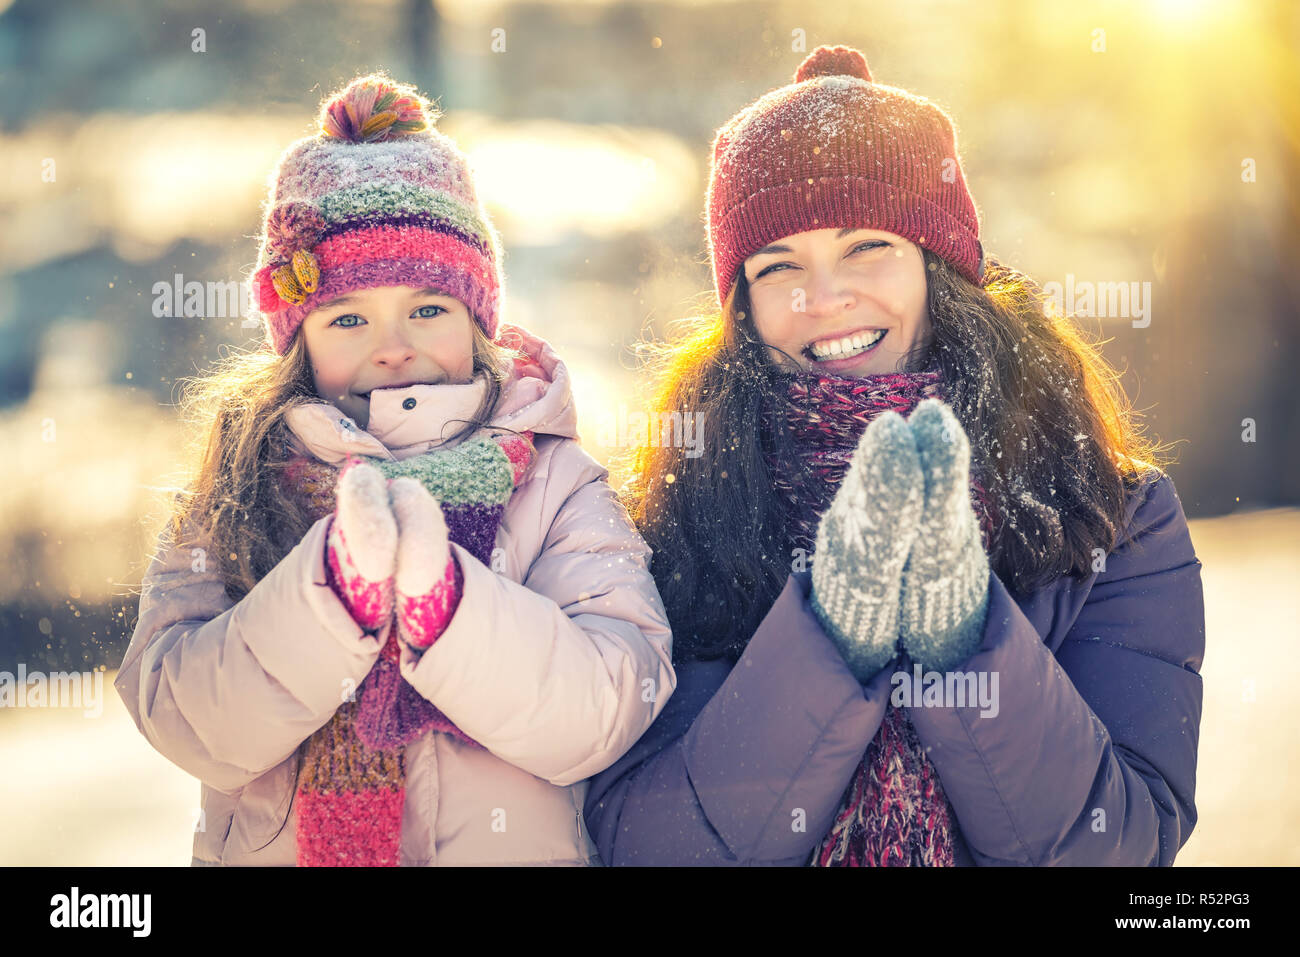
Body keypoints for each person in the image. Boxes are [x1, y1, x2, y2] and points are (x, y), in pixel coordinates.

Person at [583, 45, 1204, 866]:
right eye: (778, 266)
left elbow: (1126, 842)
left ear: (939, 266)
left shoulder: (1110, 512)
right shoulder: (680, 512)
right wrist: (830, 631)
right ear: (742, 308)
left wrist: (965, 636)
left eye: (866, 246)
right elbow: (640, 842)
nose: (825, 296)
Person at [116, 72, 674, 866]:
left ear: (478, 318)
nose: (393, 344)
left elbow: (617, 697)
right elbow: (180, 711)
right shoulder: (243, 478)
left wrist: (446, 606)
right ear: (297, 338)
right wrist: (334, 595)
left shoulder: (553, 481)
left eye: (427, 307)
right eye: (348, 317)